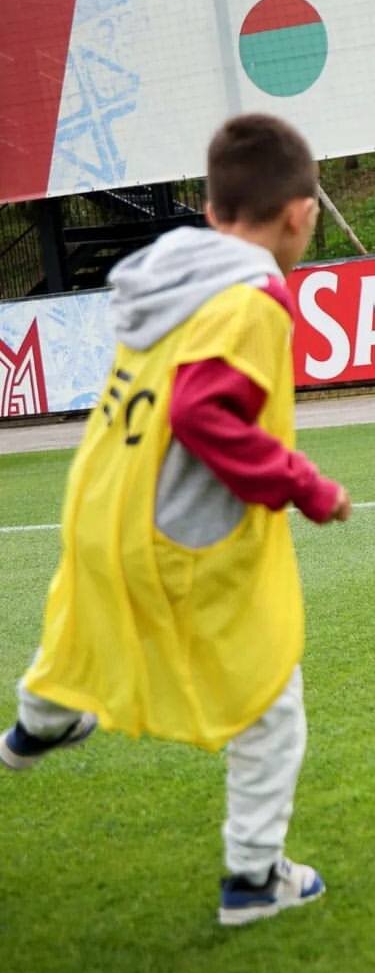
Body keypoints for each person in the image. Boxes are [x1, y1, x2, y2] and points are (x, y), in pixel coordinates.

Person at [1, 113, 352, 928]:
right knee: (271, 698)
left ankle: (39, 721)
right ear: (300, 215)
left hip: (102, 506)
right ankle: (255, 878)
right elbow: (204, 410)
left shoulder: (168, 271)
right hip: (178, 534)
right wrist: (305, 485)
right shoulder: (252, 300)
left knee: (84, 619)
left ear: (209, 207)